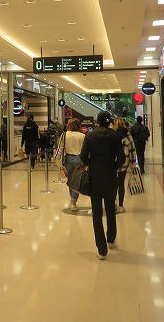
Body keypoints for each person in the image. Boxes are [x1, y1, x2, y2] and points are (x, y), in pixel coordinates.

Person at [80, 111, 125, 260]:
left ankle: (102, 250)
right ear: (109, 122)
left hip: (95, 177)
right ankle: (111, 238)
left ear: (97, 121)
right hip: (110, 176)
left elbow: (83, 157)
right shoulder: (115, 136)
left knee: (97, 213)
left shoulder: (90, 136)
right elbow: (122, 158)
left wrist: (91, 163)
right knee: (111, 208)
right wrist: (113, 166)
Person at [112, 118, 136, 213]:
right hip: (124, 162)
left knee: (113, 184)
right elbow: (132, 149)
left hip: (112, 163)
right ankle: (121, 205)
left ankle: (113, 204)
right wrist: (132, 162)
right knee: (121, 184)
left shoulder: (111, 134)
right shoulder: (128, 134)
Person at [63, 118, 85, 211]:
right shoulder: (82, 136)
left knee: (70, 180)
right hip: (79, 159)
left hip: (68, 158)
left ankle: (72, 200)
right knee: (77, 181)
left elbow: (61, 147)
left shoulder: (65, 135)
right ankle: (73, 201)